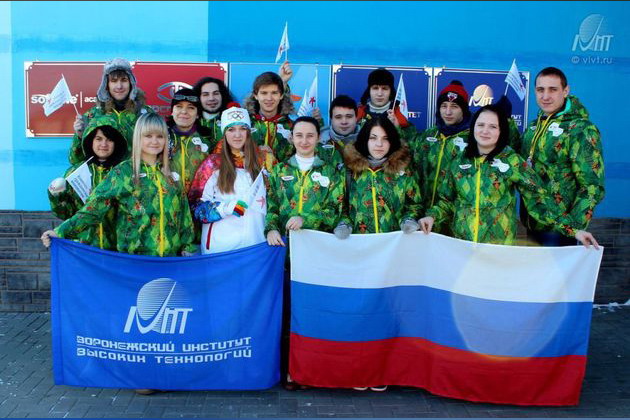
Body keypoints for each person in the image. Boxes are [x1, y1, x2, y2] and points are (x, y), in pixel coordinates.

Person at [418, 105, 599, 248]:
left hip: (498, 248)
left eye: (493, 126)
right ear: (473, 128)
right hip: (463, 246)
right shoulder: (459, 161)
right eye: (480, 125)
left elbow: (538, 199)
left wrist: (573, 230)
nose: (485, 131)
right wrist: (431, 216)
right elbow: (447, 200)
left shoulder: (512, 161)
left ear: (501, 131)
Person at [41, 112, 197, 258]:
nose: (154, 141)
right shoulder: (123, 172)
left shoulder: (172, 173)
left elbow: (184, 214)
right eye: (148, 136)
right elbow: (94, 208)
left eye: (160, 136)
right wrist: (60, 232)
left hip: (169, 261)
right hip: (134, 260)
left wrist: (187, 246)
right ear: (138, 138)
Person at [517, 67, 605, 246]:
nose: (545, 96)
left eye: (553, 89)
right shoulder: (533, 128)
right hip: (533, 223)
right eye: (540, 90)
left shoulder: (581, 129)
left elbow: (592, 185)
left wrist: (573, 228)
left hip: (560, 230)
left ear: (565, 91)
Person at [188, 106, 270, 254]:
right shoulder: (212, 164)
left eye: (242, 129)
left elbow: (274, 203)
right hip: (221, 247)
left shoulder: (263, 162)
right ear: (224, 133)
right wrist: (225, 208)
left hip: (255, 245)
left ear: (249, 132)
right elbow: (196, 207)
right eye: (231, 130)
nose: (237, 135)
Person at [335, 115, 422, 238]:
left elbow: (414, 205)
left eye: (385, 139)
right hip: (359, 243)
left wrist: (408, 220)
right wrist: (344, 224)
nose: (379, 144)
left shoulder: (403, 171)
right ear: (365, 139)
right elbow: (340, 205)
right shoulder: (349, 170)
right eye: (373, 138)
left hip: (394, 244)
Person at [47, 115, 127, 250]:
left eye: (109, 140)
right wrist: (56, 196)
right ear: (90, 140)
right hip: (84, 247)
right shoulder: (75, 172)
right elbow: (65, 213)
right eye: (99, 139)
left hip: (116, 248)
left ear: (116, 143)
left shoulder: (124, 173)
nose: (104, 144)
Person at [265, 116, 345, 246]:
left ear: (318, 138)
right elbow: (271, 206)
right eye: (299, 135)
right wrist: (271, 228)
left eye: (310, 136)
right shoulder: (279, 170)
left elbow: (335, 211)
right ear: (292, 137)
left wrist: (305, 220)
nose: (304, 141)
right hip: (285, 245)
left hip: (318, 245)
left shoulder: (330, 172)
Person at [69, 58, 153, 165]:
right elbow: (75, 160)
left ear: (131, 83)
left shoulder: (145, 114)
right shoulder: (93, 115)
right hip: (104, 175)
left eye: (124, 80)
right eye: (114, 81)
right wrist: (80, 136)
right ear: (106, 85)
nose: (119, 86)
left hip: (134, 174)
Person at [409, 80, 471, 212]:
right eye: (444, 106)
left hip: (455, 215)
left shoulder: (472, 140)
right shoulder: (428, 135)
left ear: (464, 110)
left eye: (454, 106)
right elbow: (410, 164)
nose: (448, 112)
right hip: (423, 213)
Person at [244, 61, 295, 167]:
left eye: (274, 93)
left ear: (281, 95)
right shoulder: (245, 124)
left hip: (282, 177)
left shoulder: (292, 127)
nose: (269, 98)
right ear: (255, 95)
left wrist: (273, 160)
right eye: (264, 93)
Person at [166, 88, 216, 195]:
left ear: (197, 114)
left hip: (199, 200)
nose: (184, 111)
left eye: (191, 107)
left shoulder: (208, 140)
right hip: (169, 200)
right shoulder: (161, 137)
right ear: (172, 111)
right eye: (179, 106)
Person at [356, 68, 417, 144]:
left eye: (384, 88)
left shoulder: (399, 116)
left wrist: (397, 128)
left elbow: (411, 146)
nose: (379, 94)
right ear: (369, 91)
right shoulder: (358, 114)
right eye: (375, 88)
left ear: (391, 92)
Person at [317, 95, 360, 167]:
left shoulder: (368, 142)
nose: (344, 122)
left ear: (356, 118)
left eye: (349, 116)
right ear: (331, 119)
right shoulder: (318, 142)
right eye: (338, 117)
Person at [193, 77, 234, 145]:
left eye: (216, 93)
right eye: (205, 94)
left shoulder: (233, 121)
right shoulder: (190, 122)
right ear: (198, 97)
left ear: (222, 95)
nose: (211, 98)